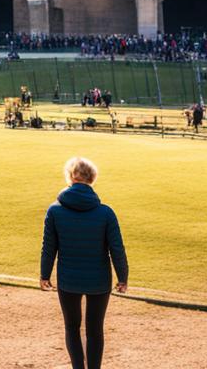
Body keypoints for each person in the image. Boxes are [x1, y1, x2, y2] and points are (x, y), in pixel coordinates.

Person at [40, 157, 129, 369]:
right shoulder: (106, 212)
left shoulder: (55, 211)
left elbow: (49, 247)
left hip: (68, 279)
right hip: (98, 280)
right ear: (92, 179)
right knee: (95, 329)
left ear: (70, 177)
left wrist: (44, 275)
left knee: (72, 328)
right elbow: (117, 249)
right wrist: (122, 277)